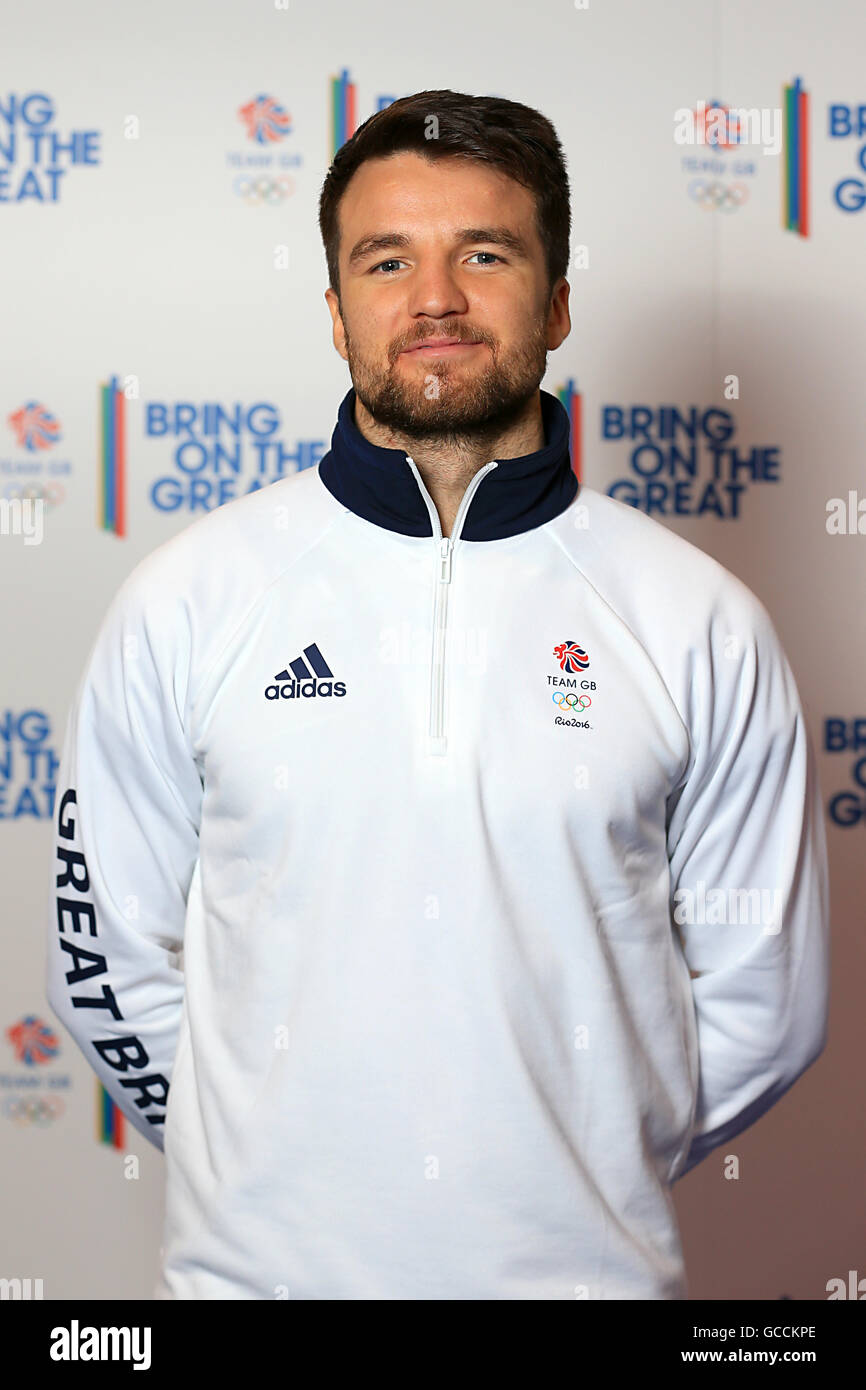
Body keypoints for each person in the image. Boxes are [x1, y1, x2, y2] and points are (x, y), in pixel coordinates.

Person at [46, 89, 830, 1300]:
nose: (434, 300)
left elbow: (763, 999)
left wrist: (572, 1163)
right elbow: (102, 955)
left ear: (557, 300)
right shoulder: (187, 601)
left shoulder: (699, 622)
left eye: (484, 252)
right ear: (334, 309)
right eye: (386, 260)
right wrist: (248, 1161)